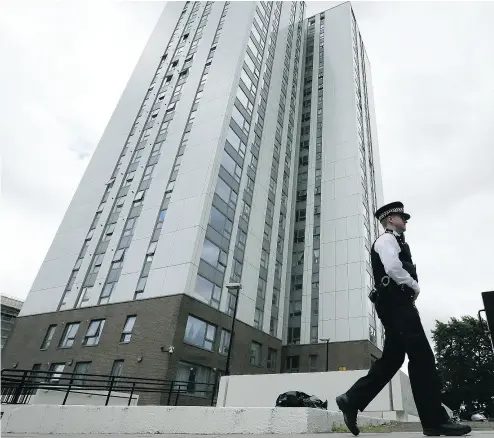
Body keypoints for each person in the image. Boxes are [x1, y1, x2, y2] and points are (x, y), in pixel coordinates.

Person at [335, 202, 471, 437]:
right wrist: (414, 286)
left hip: (394, 305)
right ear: (390, 219)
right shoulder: (386, 240)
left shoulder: (395, 241)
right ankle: (435, 421)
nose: (405, 220)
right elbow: (393, 268)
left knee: (392, 359)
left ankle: (352, 399)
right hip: (397, 305)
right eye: (401, 216)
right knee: (422, 358)